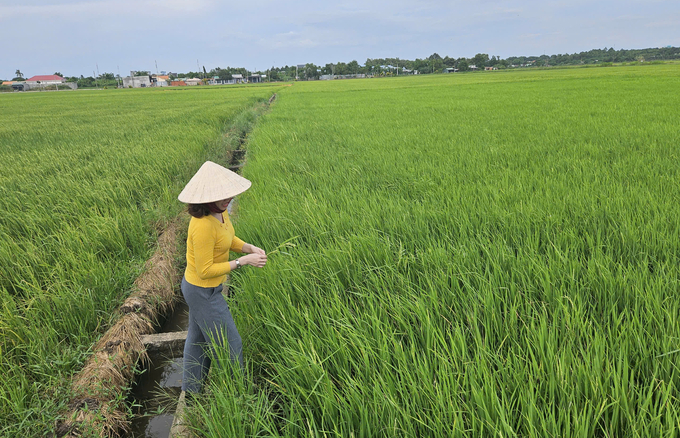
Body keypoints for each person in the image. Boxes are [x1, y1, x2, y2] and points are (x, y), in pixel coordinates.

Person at [177, 161, 267, 394]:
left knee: (198, 341)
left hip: (203, 288)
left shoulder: (221, 213)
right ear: (206, 198)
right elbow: (204, 270)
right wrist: (241, 262)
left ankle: (192, 391)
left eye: (228, 195)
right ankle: (239, 393)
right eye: (221, 196)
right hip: (202, 291)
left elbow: (228, 239)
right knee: (231, 343)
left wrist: (248, 248)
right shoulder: (202, 226)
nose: (227, 199)